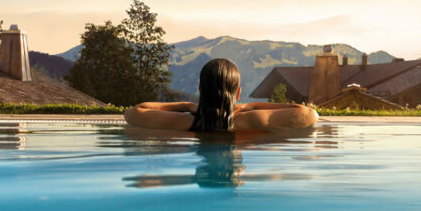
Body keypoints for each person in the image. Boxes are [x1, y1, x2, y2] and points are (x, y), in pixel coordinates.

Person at [123, 58, 318, 131]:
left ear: (200, 90)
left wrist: (187, 106)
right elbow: (308, 114)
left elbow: (134, 112)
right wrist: (249, 106)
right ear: (238, 93)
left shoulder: (184, 123)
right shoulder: (250, 120)